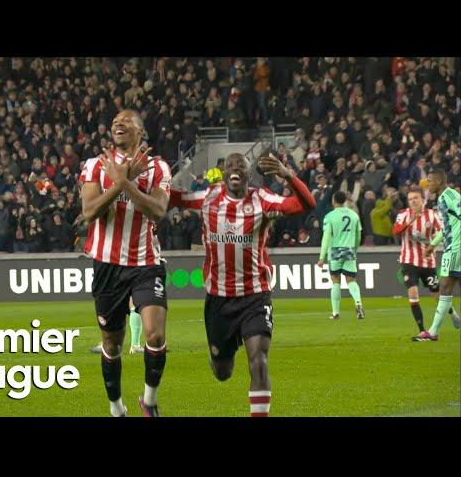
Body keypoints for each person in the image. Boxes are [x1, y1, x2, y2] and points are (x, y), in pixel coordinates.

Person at [170, 152, 316, 417]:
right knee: (222, 372)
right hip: (219, 299)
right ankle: (222, 351)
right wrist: (141, 182)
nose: (235, 169)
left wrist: (288, 175)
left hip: (255, 297)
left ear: (249, 175)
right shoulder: (208, 197)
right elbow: (172, 198)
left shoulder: (262, 200)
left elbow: (306, 204)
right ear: (224, 173)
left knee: (258, 361)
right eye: (230, 165)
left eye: (241, 165)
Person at [79, 109, 171, 417]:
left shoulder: (158, 168)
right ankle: (116, 407)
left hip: (146, 261)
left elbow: (158, 210)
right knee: (112, 343)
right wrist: (121, 182)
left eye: (126, 122)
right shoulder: (94, 166)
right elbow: (90, 211)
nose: (118, 124)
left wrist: (126, 182)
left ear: (140, 132)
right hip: (107, 264)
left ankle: (150, 398)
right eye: (115, 121)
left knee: (155, 335)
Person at [394, 187, 459, 334]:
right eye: (410, 199)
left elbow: (444, 231)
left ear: (423, 199)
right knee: (413, 293)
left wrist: (433, 244)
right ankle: (422, 330)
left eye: (416, 198)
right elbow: (396, 231)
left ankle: (452, 313)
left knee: (437, 295)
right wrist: (410, 221)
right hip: (408, 261)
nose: (413, 201)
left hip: (427, 262)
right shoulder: (403, 215)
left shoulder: (432, 215)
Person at [413, 169, 461, 341]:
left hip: (455, 248)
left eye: (430, 181)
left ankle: (432, 332)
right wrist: (432, 245)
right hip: (454, 246)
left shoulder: (447, 197)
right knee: (447, 287)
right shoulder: (450, 195)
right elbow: (448, 226)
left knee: (445, 287)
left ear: (440, 182)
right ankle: (433, 331)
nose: (428, 184)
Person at [317, 191, 365, 320]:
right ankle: (358, 303)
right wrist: (354, 249)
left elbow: (326, 237)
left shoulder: (330, 217)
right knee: (351, 280)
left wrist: (322, 257)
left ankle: (335, 312)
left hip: (335, 250)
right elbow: (358, 235)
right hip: (349, 249)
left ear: (334, 201)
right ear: (344, 201)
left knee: (335, 281)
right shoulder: (354, 215)